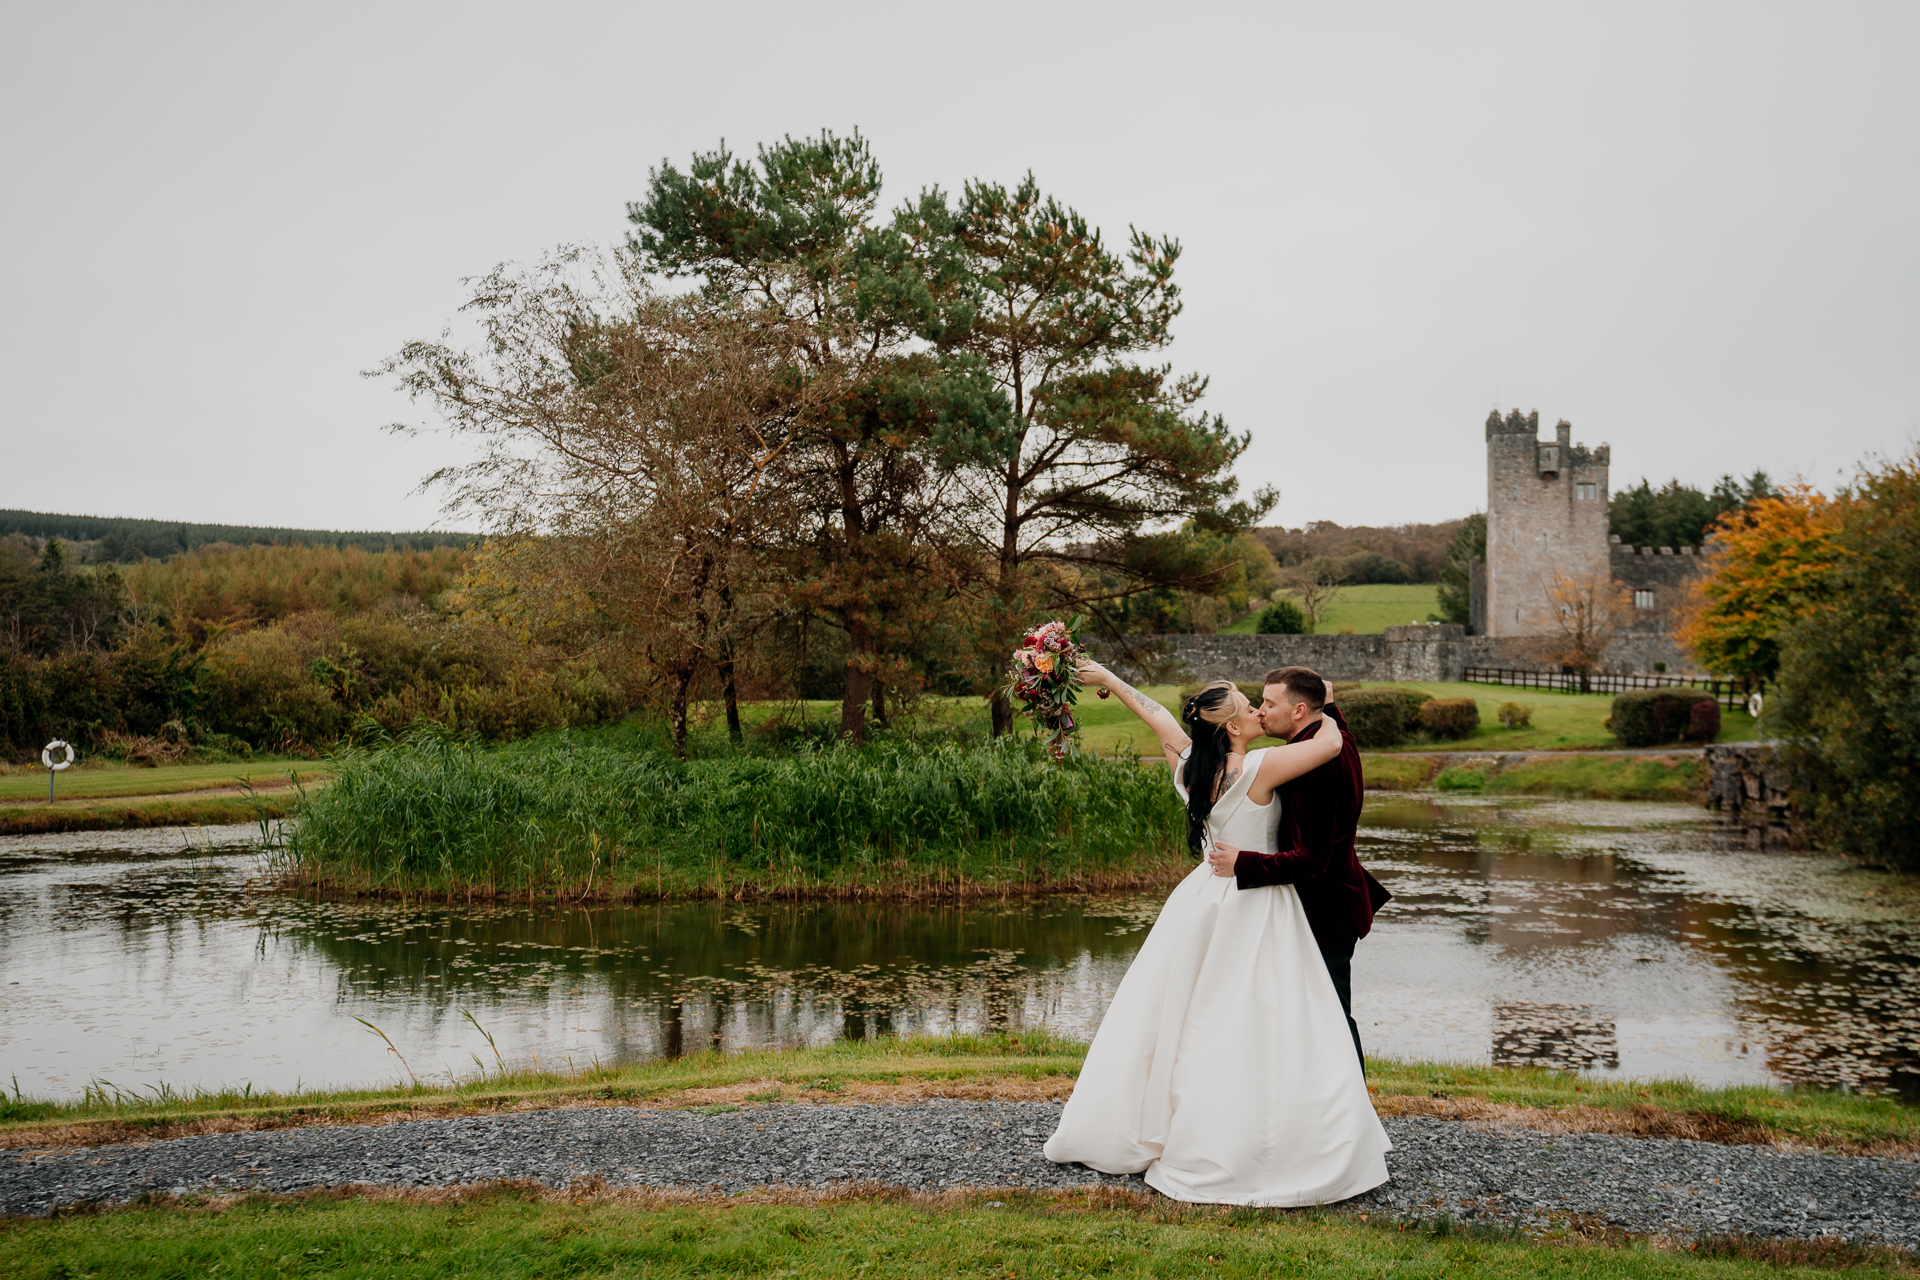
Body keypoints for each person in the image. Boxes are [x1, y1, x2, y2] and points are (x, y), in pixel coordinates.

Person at [1043, 665, 1390, 1206]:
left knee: (1191, 1013)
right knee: (1264, 1018)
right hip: (1257, 903)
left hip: (1203, 900)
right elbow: (1328, 746)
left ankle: (1176, 1119)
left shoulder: (1188, 766)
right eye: (1250, 706)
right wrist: (1323, 708)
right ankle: (1280, 1131)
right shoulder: (1260, 767)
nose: (1258, 711)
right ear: (1230, 727)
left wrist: (1108, 679)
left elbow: (1155, 714)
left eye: (1263, 703)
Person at [1206, 667, 1392, 1072]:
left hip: (1325, 911)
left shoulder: (1312, 769)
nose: (1261, 710)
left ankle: (1350, 1115)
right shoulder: (1333, 737)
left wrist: (1243, 863)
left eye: (1270, 704)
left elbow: (1312, 860)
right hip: (1333, 904)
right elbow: (1338, 723)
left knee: (1330, 1018)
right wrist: (1332, 702)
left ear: (1299, 711)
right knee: (1314, 1016)